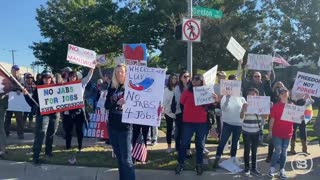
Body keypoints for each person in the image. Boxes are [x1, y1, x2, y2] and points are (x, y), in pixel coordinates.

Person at [175, 74, 217, 175]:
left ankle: (199, 164)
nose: (195, 81)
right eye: (194, 80)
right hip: (188, 122)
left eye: (198, 80)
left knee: (200, 145)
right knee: (184, 144)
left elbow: (212, 107)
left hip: (202, 123)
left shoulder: (207, 92)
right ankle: (180, 164)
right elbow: (181, 104)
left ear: (202, 81)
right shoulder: (186, 92)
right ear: (192, 81)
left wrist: (215, 100)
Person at [104, 64, 135, 180]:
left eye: (122, 71)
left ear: (126, 73)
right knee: (119, 158)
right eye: (117, 72)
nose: (119, 74)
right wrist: (116, 103)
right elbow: (107, 105)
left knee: (127, 160)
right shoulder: (112, 88)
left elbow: (143, 102)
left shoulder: (132, 87)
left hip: (125, 128)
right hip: (112, 127)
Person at [24, 70, 59, 164]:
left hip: (54, 114)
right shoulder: (38, 89)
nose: (47, 79)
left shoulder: (57, 88)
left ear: (51, 78)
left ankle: (48, 152)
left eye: (49, 77)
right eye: (45, 77)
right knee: (40, 134)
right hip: (43, 114)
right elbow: (32, 103)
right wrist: (26, 95)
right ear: (42, 79)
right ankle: (36, 157)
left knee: (51, 133)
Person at [213, 74, 246, 169]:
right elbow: (224, 108)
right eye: (233, 81)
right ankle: (217, 157)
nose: (235, 83)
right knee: (222, 141)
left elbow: (243, 111)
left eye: (236, 82)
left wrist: (245, 108)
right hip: (228, 123)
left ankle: (232, 159)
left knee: (235, 143)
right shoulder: (224, 95)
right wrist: (227, 98)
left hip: (238, 124)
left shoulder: (241, 97)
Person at [63, 68, 94, 153]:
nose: (72, 78)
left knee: (79, 130)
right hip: (68, 112)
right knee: (68, 130)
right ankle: (68, 147)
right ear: (68, 77)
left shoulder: (81, 84)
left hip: (78, 111)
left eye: (74, 77)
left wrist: (92, 68)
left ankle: (80, 146)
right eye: (70, 77)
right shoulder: (65, 85)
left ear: (76, 77)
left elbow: (88, 77)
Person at [267, 87, 294, 179]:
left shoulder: (292, 105)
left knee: (284, 151)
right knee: (278, 150)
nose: (284, 94)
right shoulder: (276, 106)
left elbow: (297, 118)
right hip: (277, 132)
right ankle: (272, 169)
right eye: (282, 93)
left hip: (288, 133)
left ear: (288, 94)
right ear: (279, 95)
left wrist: (301, 117)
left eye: (286, 92)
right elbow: (272, 120)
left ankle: (282, 170)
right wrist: (270, 131)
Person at [240, 88, 264, 177]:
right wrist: (243, 109)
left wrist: (264, 110)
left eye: (253, 95)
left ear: (257, 96)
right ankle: (247, 168)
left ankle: (254, 168)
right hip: (246, 131)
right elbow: (241, 116)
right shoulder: (245, 104)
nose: (251, 96)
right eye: (250, 95)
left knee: (254, 151)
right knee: (247, 150)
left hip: (256, 131)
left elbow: (265, 117)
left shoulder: (260, 105)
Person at [266, 81, 285, 163]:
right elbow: (267, 91)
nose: (279, 88)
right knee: (273, 138)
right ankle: (269, 156)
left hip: (282, 119)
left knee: (281, 138)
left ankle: (278, 157)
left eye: (281, 87)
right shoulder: (272, 94)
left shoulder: (285, 97)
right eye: (277, 86)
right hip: (273, 117)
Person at [4, 65, 25, 139]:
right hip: (9, 102)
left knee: (19, 118)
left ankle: (20, 133)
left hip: (18, 102)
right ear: (11, 71)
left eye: (17, 70)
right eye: (14, 70)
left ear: (19, 71)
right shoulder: (8, 79)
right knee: (7, 118)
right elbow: (6, 87)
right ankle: (5, 132)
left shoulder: (21, 79)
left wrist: (19, 90)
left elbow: (23, 88)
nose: (15, 71)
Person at [174, 70, 192, 156]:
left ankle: (188, 149)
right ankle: (178, 149)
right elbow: (179, 101)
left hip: (189, 113)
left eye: (188, 76)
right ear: (180, 78)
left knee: (188, 132)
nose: (187, 78)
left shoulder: (192, 87)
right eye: (184, 76)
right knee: (179, 132)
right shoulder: (177, 88)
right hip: (180, 112)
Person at [163, 73, 178, 153]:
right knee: (169, 129)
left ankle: (177, 145)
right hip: (169, 112)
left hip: (178, 112)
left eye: (175, 78)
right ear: (170, 80)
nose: (174, 80)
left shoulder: (179, 89)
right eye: (173, 78)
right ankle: (169, 146)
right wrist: (166, 110)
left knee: (178, 130)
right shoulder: (166, 90)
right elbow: (164, 102)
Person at [213, 71, 227, 140]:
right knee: (219, 122)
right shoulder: (215, 86)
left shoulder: (229, 86)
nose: (221, 78)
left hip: (228, 107)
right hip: (218, 106)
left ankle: (225, 138)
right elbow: (213, 97)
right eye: (219, 76)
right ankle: (220, 138)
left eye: (222, 76)